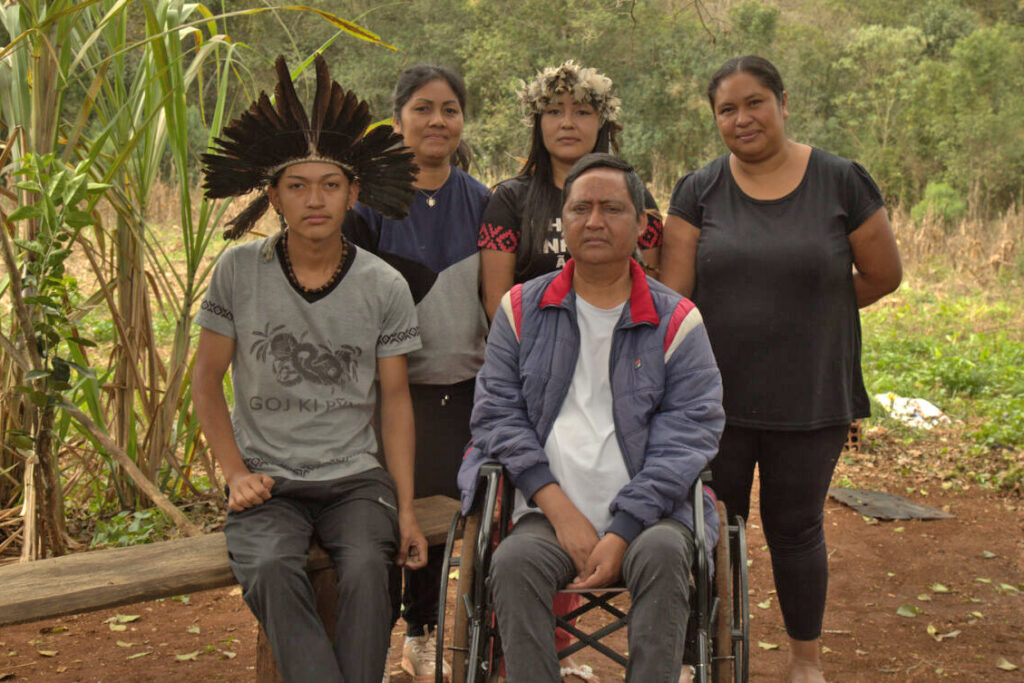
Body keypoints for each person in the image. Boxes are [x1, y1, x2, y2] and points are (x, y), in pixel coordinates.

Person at [659, 55, 902, 683]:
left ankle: (804, 662)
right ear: (715, 119)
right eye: (727, 109)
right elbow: (676, 297)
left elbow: (883, 274)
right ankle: (702, 660)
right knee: (711, 529)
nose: (743, 119)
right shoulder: (698, 189)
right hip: (713, 398)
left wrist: (812, 310)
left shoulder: (842, 180)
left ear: (783, 103)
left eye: (755, 102)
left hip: (811, 394)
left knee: (796, 529)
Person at [192, 55, 428, 683]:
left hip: (355, 480)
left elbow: (396, 401)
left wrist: (404, 508)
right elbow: (205, 381)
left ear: (354, 193)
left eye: (330, 184)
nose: (314, 199)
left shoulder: (384, 285)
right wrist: (235, 473)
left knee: (367, 572)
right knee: (268, 566)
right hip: (267, 482)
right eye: (297, 185)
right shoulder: (239, 272)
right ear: (272, 195)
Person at [460, 153, 725, 682]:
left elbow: (689, 435)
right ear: (564, 220)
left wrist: (622, 529)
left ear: (644, 225)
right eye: (581, 208)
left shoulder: (677, 321)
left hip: (652, 518)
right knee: (512, 565)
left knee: (669, 557)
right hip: (545, 513)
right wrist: (560, 512)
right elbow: (496, 415)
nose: (594, 221)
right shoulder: (520, 310)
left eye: (611, 208)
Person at [345, 64, 490, 682]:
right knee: (383, 524)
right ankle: (368, 645)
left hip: (463, 392)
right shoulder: (367, 203)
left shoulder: (485, 200)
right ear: (397, 116)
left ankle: (422, 633)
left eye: (450, 109)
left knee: (440, 520)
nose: (438, 120)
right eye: (423, 108)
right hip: (389, 395)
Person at [478, 60, 664, 322]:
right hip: (534, 351)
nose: (567, 123)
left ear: (601, 121)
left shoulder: (634, 197)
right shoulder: (509, 200)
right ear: (538, 122)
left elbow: (651, 292)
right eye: (554, 112)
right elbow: (497, 303)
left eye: (582, 112)